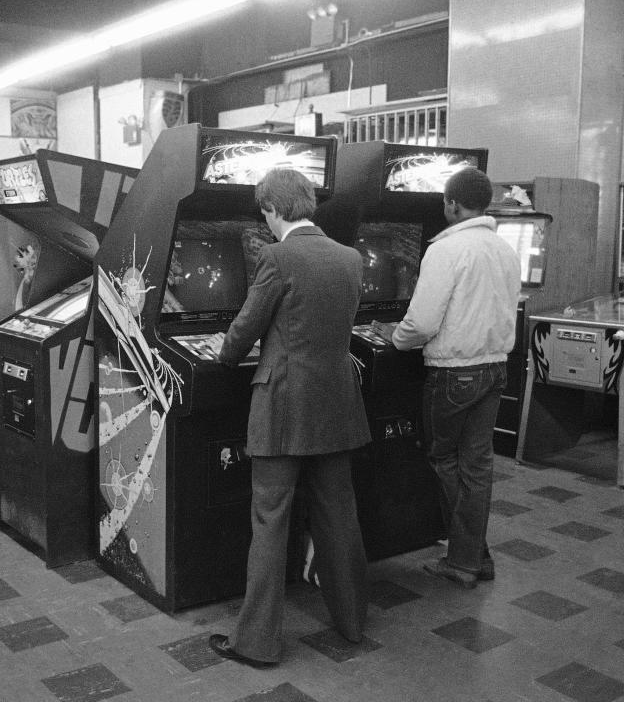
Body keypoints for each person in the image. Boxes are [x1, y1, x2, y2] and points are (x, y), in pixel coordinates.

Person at [208, 168, 371, 668]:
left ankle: (256, 642)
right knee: (339, 516)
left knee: (270, 520)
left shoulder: (276, 256)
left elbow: (247, 326)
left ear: (271, 209)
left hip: (283, 409)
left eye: (263, 210)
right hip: (336, 405)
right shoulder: (350, 257)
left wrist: (223, 353)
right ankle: (352, 622)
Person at [374, 167, 521, 590]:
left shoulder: (446, 250)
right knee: (478, 466)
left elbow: (420, 323)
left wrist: (393, 339)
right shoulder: (503, 248)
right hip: (495, 369)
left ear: (452, 204)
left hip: (455, 374)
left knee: (444, 461)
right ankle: (477, 556)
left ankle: (463, 560)